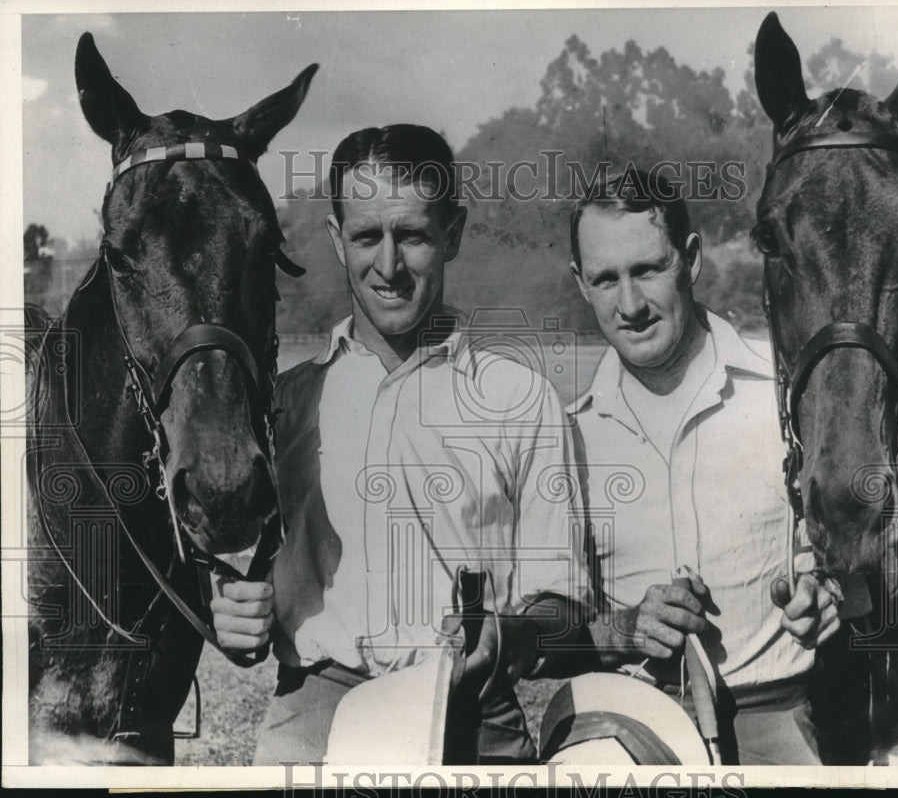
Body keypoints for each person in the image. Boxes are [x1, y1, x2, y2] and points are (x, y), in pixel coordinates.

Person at [210, 124, 589, 765]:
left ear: (454, 234)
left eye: (412, 235)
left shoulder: (521, 399)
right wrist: (234, 617)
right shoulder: (285, 403)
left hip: (474, 718)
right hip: (316, 714)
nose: (388, 266)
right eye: (366, 237)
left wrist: (515, 630)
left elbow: (565, 598)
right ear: (337, 240)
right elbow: (241, 584)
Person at [565, 167, 841, 765]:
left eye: (647, 270)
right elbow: (552, 625)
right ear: (580, 284)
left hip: (779, 724)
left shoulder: (788, 391)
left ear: (690, 259)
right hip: (630, 732)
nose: (631, 304)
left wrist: (833, 594)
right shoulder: (569, 436)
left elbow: (874, 559)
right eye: (606, 279)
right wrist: (623, 627)